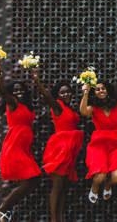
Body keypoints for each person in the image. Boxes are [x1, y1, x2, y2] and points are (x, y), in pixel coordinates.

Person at [32, 69, 84, 222]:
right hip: (60, 149)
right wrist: (37, 80)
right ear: (58, 95)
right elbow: (47, 95)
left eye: (68, 92)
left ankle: (60, 218)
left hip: (70, 151)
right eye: (62, 93)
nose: (66, 95)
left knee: (63, 188)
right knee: (57, 186)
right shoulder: (57, 106)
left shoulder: (69, 108)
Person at [0, 61, 41, 221]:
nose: (18, 92)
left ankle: (4, 209)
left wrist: (36, 78)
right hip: (14, 148)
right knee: (32, 180)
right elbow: (1, 91)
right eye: (15, 90)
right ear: (11, 94)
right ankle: (2, 209)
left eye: (21, 89)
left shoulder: (26, 106)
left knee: (33, 181)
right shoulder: (12, 103)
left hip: (23, 149)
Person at [80, 79, 117, 204]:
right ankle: (95, 186)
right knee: (100, 175)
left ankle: (108, 185)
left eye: (103, 88)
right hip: (99, 144)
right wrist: (85, 93)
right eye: (97, 89)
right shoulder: (93, 107)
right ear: (95, 93)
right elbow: (83, 111)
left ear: (107, 90)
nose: (100, 91)